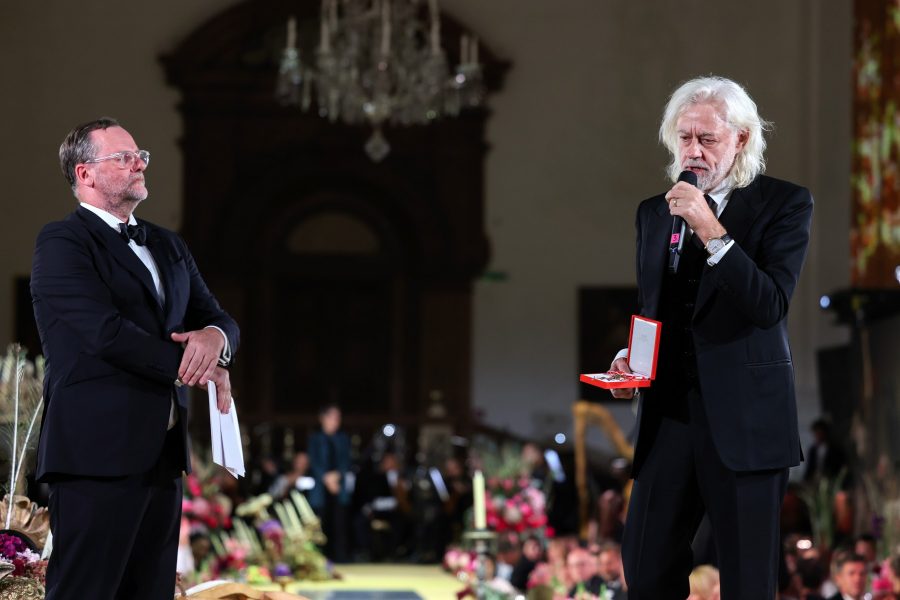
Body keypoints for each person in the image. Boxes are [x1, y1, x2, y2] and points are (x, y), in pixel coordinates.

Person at [610, 76, 814, 599]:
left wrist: (711, 229)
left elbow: (768, 305)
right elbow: (654, 308)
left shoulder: (784, 204)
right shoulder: (655, 212)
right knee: (646, 571)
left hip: (747, 423)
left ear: (741, 139)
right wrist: (631, 362)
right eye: (684, 138)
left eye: (708, 140)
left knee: (747, 582)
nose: (692, 152)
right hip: (669, 417)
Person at [31, 118, 239, 599]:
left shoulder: (167, 244)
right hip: (94, 455)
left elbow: (219, 318)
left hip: (162, 457)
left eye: (140, 154)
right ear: (85, 174)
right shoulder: (62, 242)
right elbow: (105, 334)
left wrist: (214, 339)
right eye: (122, 157)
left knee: (150, 593)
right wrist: (196, 365)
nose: (138, 163)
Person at [308, 403, 352, 562]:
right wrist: (326, 478)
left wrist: (336, 476)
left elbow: (347, 461)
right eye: (332, 417)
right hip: (321, 486)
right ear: (323, 418)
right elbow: (314, 462)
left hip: (338, 486)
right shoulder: (315, 438)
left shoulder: (343, 438)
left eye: (338, 418)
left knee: (340, 522)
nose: (336, 421)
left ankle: (341, 557)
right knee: (320, 521)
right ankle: (319, 557)